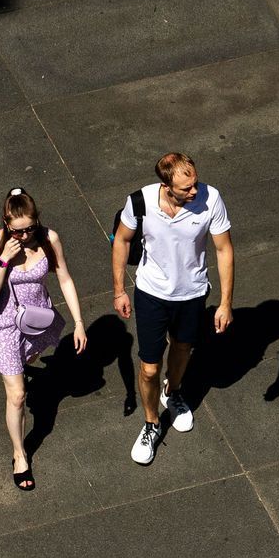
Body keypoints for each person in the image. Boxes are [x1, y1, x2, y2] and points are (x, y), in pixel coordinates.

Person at [110, 152, 234, 465]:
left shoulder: (211, 199)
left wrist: (226, 303)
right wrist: (118, 291)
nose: (195, 191)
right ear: (166, 186)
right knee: (149, 368)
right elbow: (122, 241)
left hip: (192, 295)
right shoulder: (140, 202)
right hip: (151, 294)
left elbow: (223, 249)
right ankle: (152, 424)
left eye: (195, 183)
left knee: (182, 350)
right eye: (186, 188)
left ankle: (173, 390)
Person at [0, 187, 88, 490]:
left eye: (30, 228)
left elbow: (64, 277)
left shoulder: (48, 239)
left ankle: (23, 366)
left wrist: (79, 323)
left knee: (29, 360)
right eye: (17, 231)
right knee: (17, 395)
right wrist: (3, 260)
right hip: (4, 324)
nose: (25, 236)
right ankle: (19, 454)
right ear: (5, 222)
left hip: (37, 319)